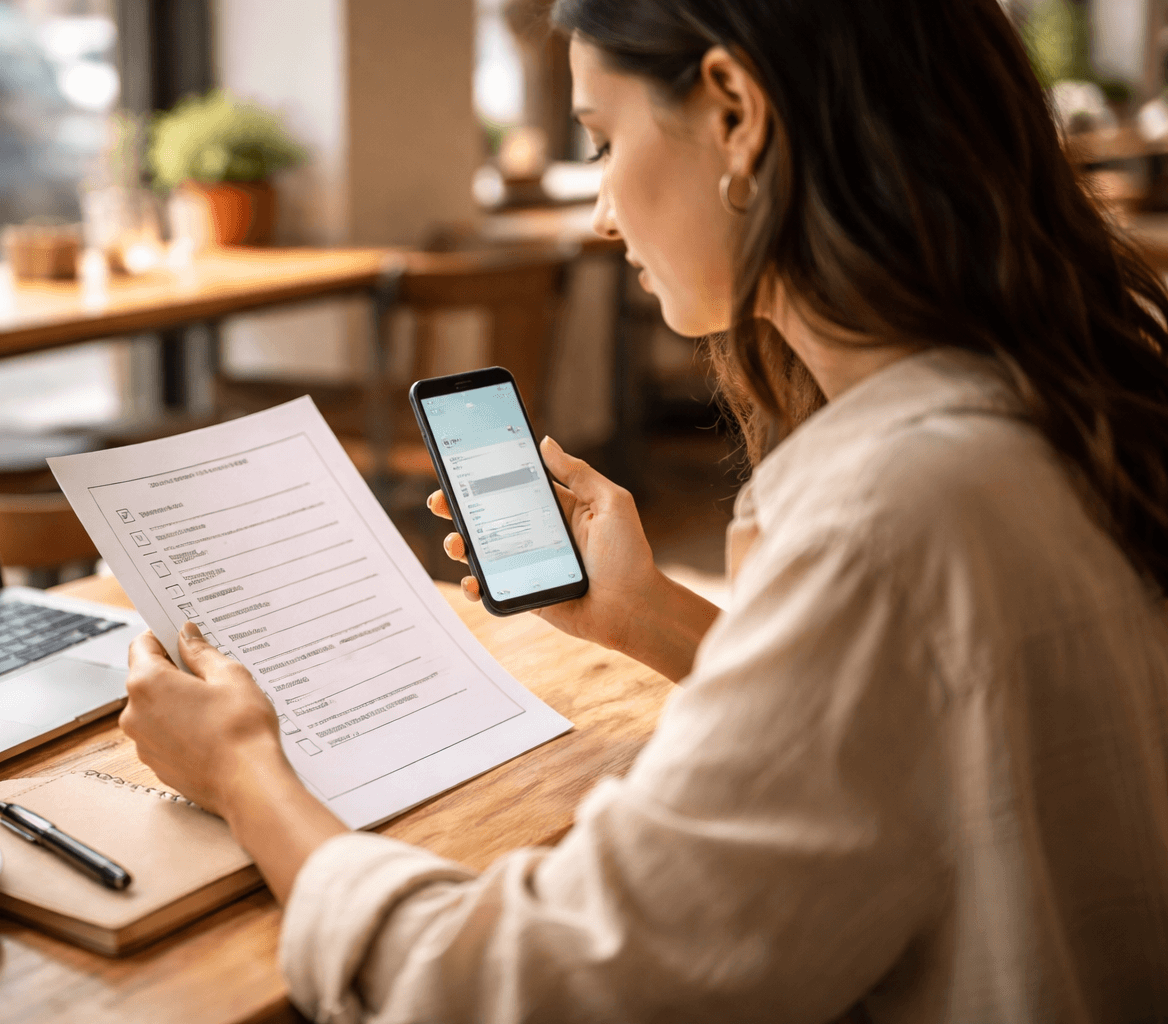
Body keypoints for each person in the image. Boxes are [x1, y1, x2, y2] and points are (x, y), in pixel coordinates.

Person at [118, 0, 1168, 1019]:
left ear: (735, 113)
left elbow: (530, 987)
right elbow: (908, 739)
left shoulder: (888, 521)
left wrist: (246, 770)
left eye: (603, 138)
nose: (599, 208)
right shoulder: (1058, 397)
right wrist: (649, 613)